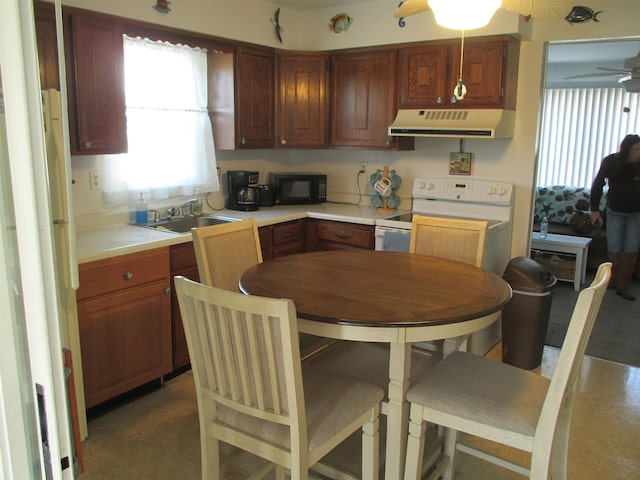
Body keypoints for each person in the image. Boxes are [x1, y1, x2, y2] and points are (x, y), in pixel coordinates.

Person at [590, 134, 640, 301]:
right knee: (614, 247)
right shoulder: (611, 161)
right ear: (627, 150)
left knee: (631, 248)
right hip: (615, 211)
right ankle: (610, 281)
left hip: (636, 213)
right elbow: (598, 184)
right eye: (636, 149)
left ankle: (623, 286)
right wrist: (595, 210)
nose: (639, 152)